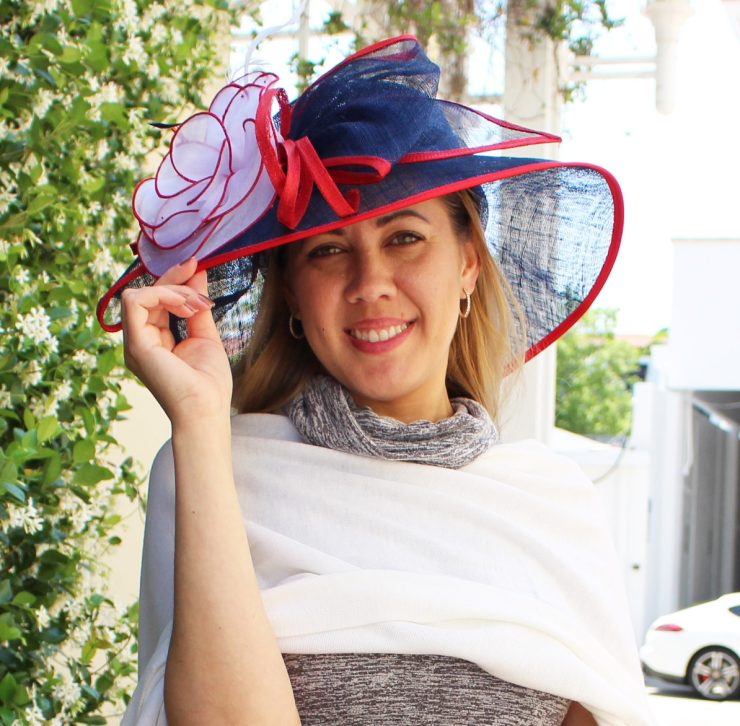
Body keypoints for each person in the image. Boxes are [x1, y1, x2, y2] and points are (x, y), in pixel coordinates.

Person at [98, 36, 653, 725]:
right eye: (329, 250)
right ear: (294, 295)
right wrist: (201, 422)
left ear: (468, 267)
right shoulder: (210, 469)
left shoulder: (551, 507)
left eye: (404, 237)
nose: (370, 285)